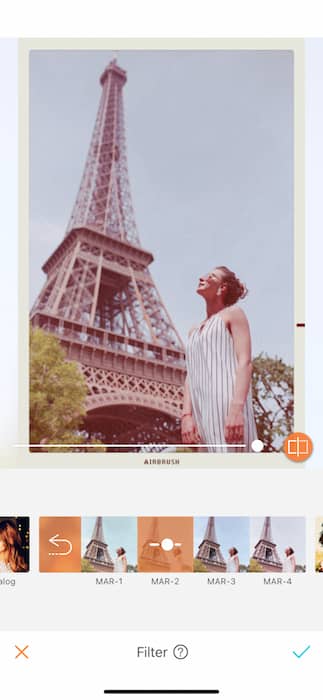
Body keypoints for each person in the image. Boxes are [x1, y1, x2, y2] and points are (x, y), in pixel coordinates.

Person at [182, 266, 257, 452]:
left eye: (211, 276)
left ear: (221, 288)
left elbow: (245, 362)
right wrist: (186, 416)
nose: (202, 277)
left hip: (227, 404)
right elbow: (191, 375)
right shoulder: (193, 331)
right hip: (202, 411)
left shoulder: (233, 314)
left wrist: (236, 409)